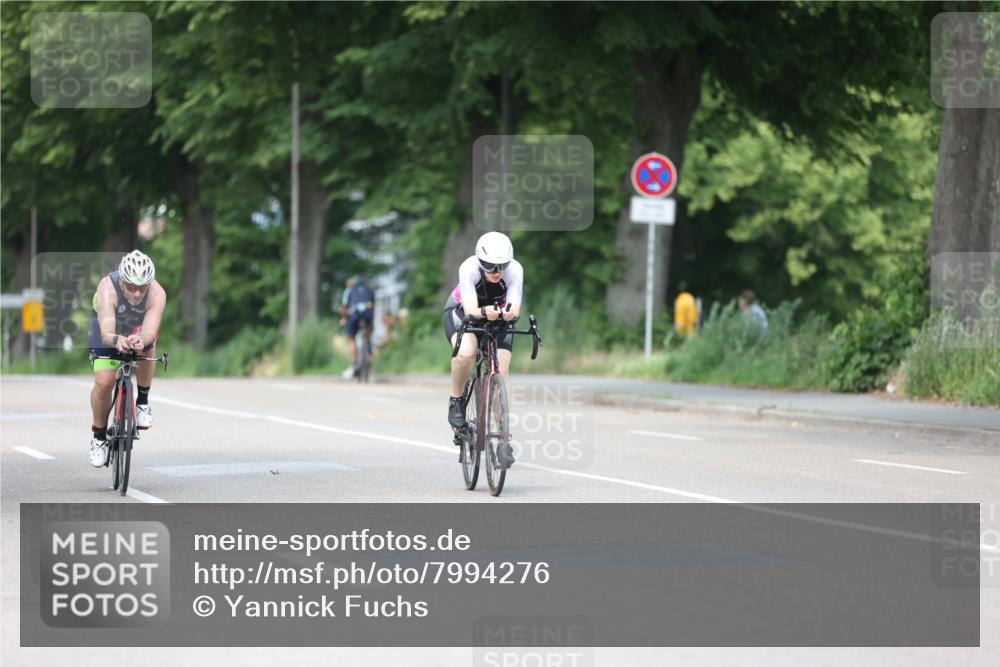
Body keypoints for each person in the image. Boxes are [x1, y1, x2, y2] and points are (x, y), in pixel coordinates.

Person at [444, 231, 522, 467]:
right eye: (489, 266)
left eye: (501, 266)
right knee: (466, 353)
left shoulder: (515, 270)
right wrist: (485, 312)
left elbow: (515, 306)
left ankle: (504, 439)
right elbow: (470, 309)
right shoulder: (468, 268)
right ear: (480, 261)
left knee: (502, 371)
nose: (496, 272)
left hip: (498, 318)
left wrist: (509, 313)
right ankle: (456, 400)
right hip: (464, 314)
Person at [87, 250, 166, 467]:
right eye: (131, 287)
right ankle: (99, 437)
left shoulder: (157, 294)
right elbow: (106, 332)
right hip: (107, 325)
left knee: (149, 344)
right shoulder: (107, 288)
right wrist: (116, 340)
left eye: (143, 287)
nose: (137, 293)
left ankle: (142, 402)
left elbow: (150, 330)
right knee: (104, 382)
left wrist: (142, 340)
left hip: (136, 325)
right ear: (122, 280)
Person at [339, 275, 375, 377]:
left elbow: (344, 308)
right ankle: (368, 348)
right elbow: (373, 306)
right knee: (369, 329)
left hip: (354, 315)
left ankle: (354, 363)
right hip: (367, 315)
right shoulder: (370, 291)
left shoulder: (349, 291)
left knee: (351, 338)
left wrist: (344, 318)